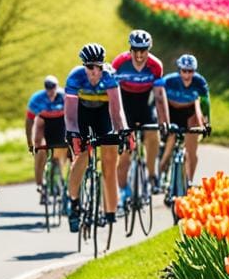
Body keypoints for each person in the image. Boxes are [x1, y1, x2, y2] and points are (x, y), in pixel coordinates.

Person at [63, 43, 128, 233]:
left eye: (97, 66)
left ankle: (109, 212)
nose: (94, 71)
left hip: (102, 115)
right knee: (82, 156)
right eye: (90, 66)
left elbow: (116, 111)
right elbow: (70, 114)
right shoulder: (75, 77)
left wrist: (122, 130)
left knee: (110, 159)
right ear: (84, 66)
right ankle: (73, 202)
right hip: (81, 115)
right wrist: (73, 133)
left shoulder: (110, 76)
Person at [111, 29, 169, 209]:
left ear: (148, 49)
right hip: (124, 106)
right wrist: (115, 122)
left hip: (144, 105)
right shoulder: (119, 63)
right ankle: (123, 192)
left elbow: (159, 96)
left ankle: (152, 175)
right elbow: (112, 94)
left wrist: (164, 120)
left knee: (153, 135)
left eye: (143, 50)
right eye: (135, 49)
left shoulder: (155, 65)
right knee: (125, 156)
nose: (138, 54)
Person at [156, 54, 211, 188]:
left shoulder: (200, 82)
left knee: (191, 151)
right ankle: (159, 173)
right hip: (172, 111)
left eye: (190, 71)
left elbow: (205, 103)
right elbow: (156, 88)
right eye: (184, 71)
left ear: (194, 71)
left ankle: (189, 182)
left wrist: (206, 123)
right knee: (171, 139)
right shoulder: (170, 80)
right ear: (179, 70)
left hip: (189, 112)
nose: (187, 75)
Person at [25, 75, 69, 203]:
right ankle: (41, 186)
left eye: (53, 88)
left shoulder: (64, 96)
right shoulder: (37, 99)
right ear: (45, 88)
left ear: (57, 87)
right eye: (48, 88)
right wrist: (30, 142)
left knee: (61, 152)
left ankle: (59, 177)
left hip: (61, 123)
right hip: (44, 123)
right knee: (41, 150)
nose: (50, 91)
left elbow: (73, 115)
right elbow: (29, 121)